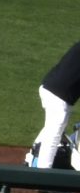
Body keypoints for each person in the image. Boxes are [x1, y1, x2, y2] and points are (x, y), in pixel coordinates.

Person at [28, 39, 80, 168]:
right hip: (58, 95)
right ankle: (43, 174)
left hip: (52, 89)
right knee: (54, 133)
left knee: (51, 129)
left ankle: (31, 159)